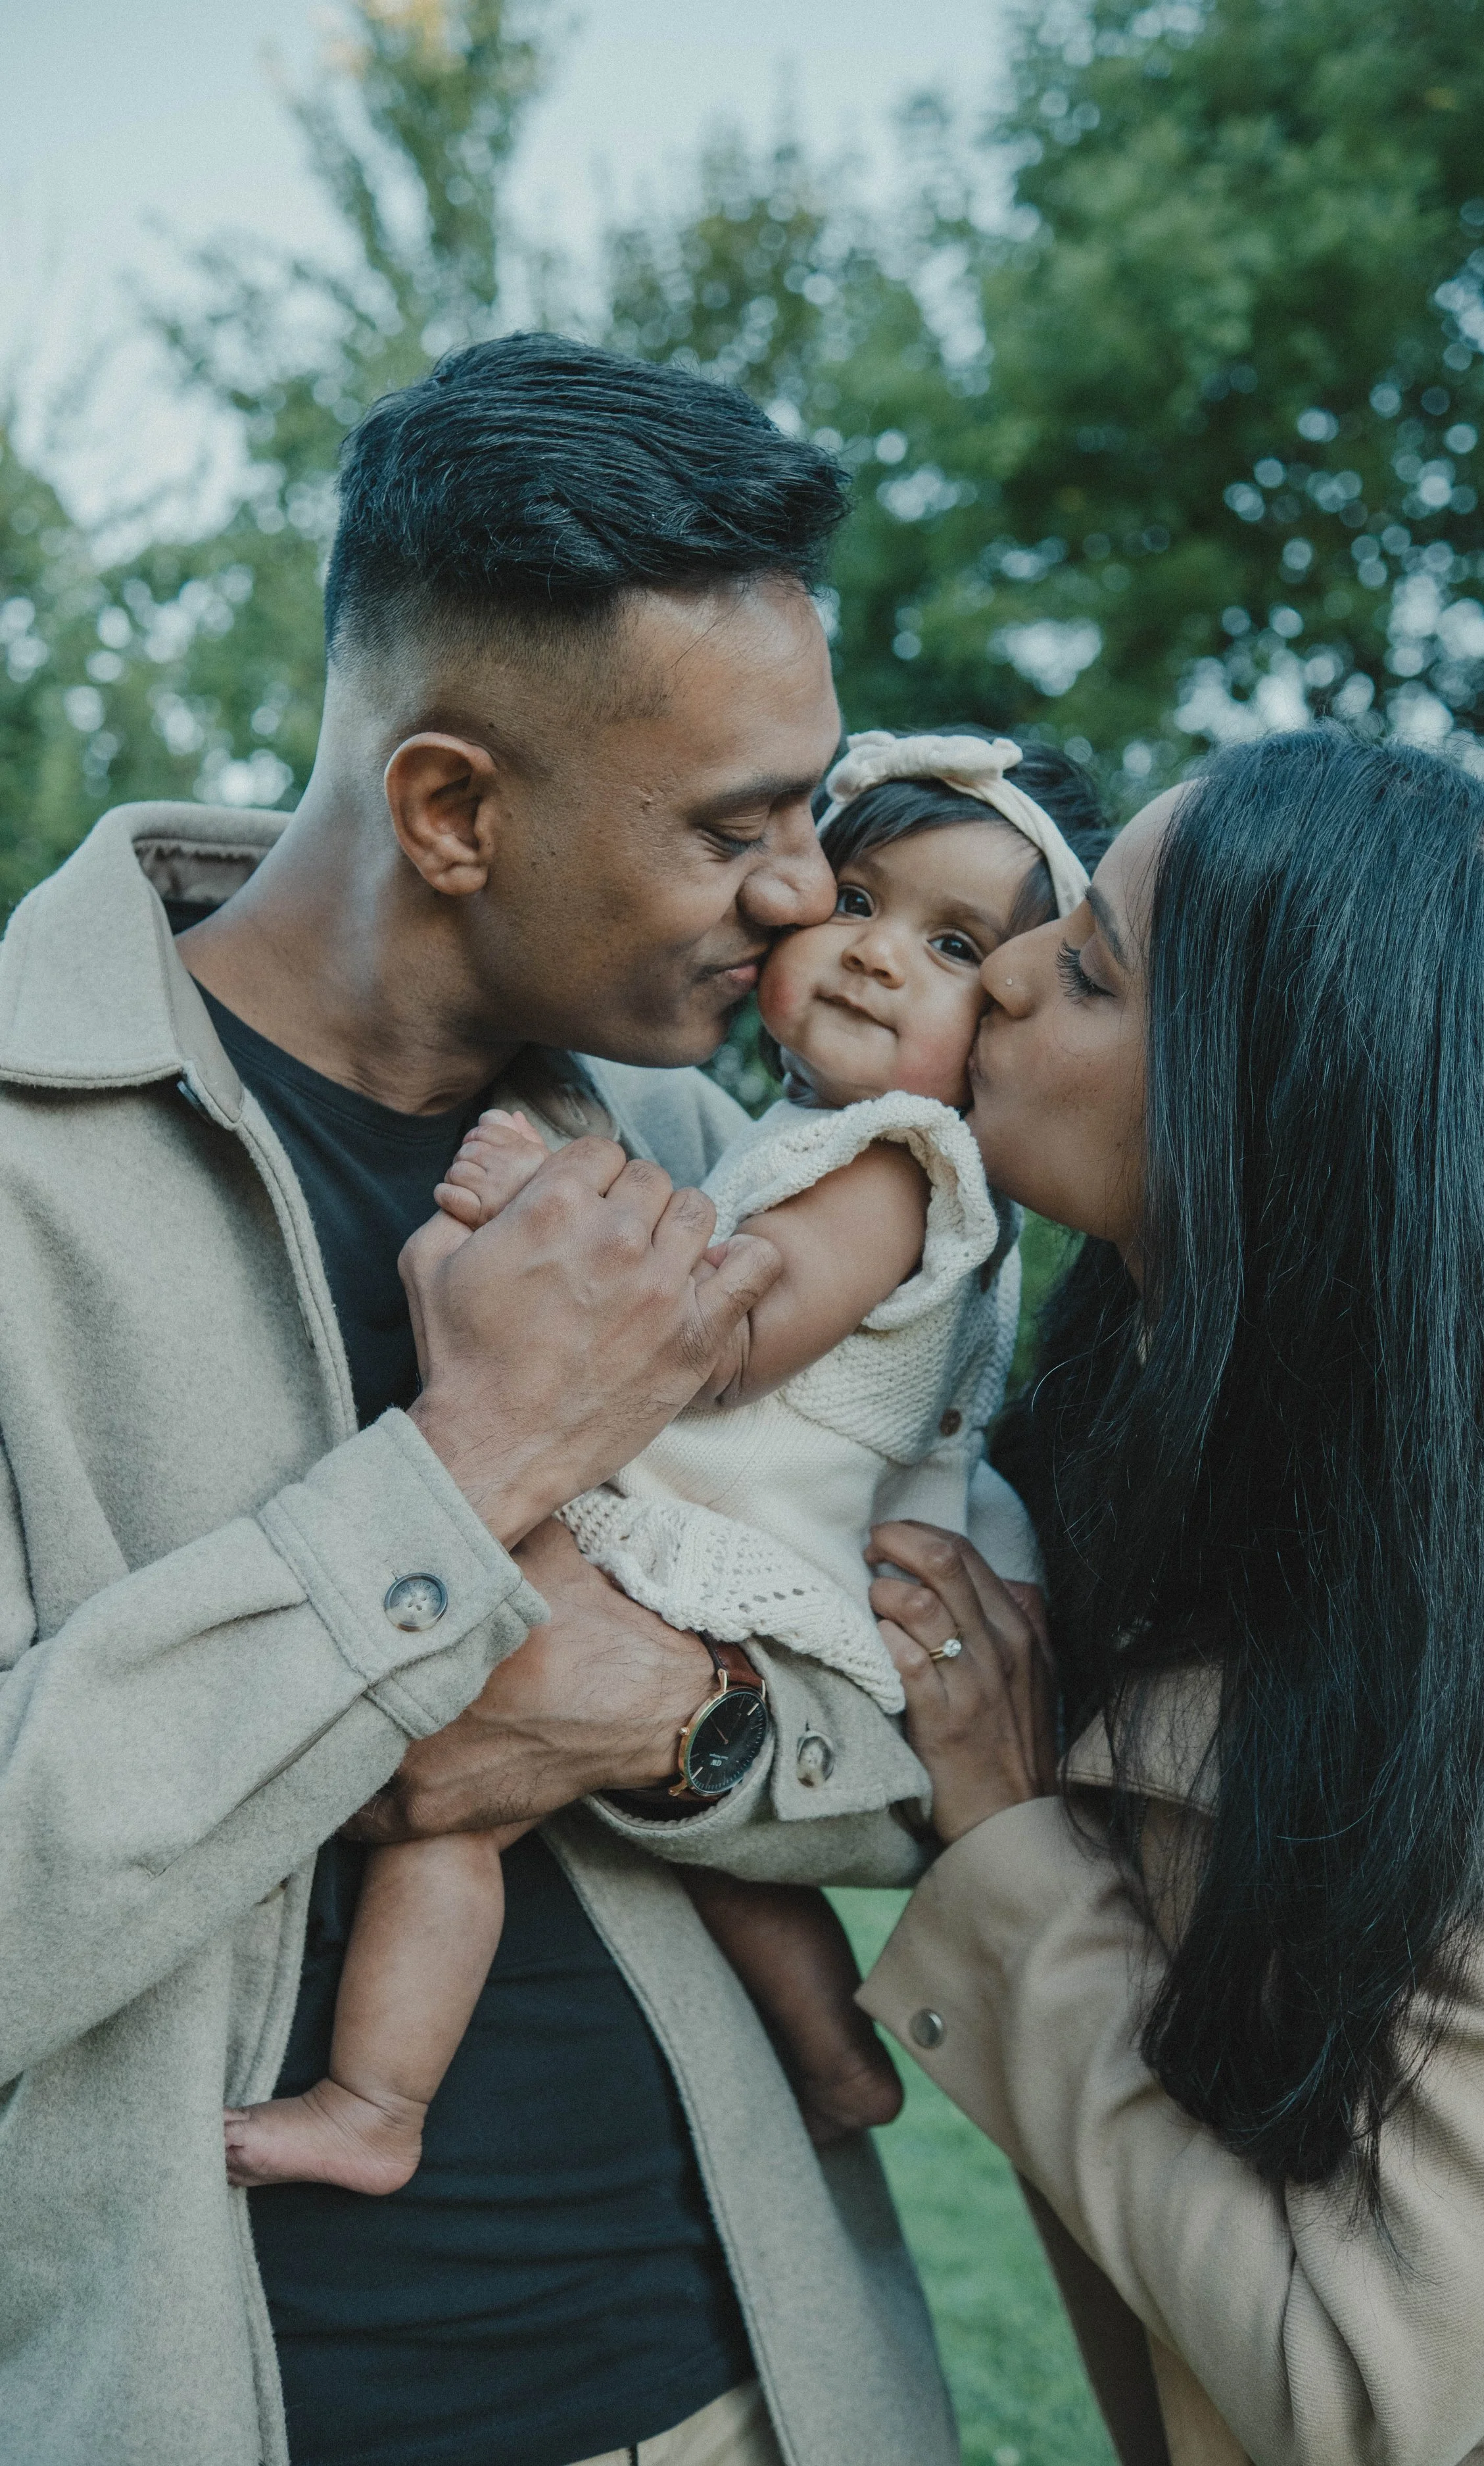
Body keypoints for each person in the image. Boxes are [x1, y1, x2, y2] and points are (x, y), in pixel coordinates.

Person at [0, 335, 989, 2466]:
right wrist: (474, 1472)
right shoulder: (15, 1165)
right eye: (739, 827)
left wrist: (684, 1714)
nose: (810, 890)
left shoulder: (721, 1163)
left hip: (758, 2402)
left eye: (811, 807)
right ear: (453, 806)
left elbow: (945, 1730)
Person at [852, 729, 1484, 2465]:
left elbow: (1355, 2385)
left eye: (1087, 969)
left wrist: (1009, 1839)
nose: (994, 976)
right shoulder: (1138, 1444)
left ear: (1273, 1117)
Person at [219, 730, 1104, 2188]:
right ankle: (829, 2053)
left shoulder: (899, 1165)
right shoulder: (815, 1131)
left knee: (466, 1783)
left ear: (1007, 1018)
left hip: (738, 1561)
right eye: (858, 898)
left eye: (949, 944)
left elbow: (727, 1335)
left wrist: (549, 1203)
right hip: (729, 1535)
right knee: (669, 1841)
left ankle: (375, 2105)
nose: (876, 955)